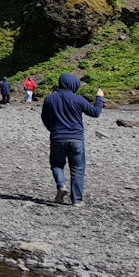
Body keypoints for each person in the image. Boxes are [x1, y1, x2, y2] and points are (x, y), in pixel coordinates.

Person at [41, 73, 104, 205]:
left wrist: (53, 130)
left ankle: (61, 185)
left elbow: (45, 118)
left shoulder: (50, 98)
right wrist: (99, 98)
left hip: (57, 137)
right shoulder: (78, 99)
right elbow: (95, 112)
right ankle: (77, 200)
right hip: (76, 139)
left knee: (57, 165)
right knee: (77, 169)